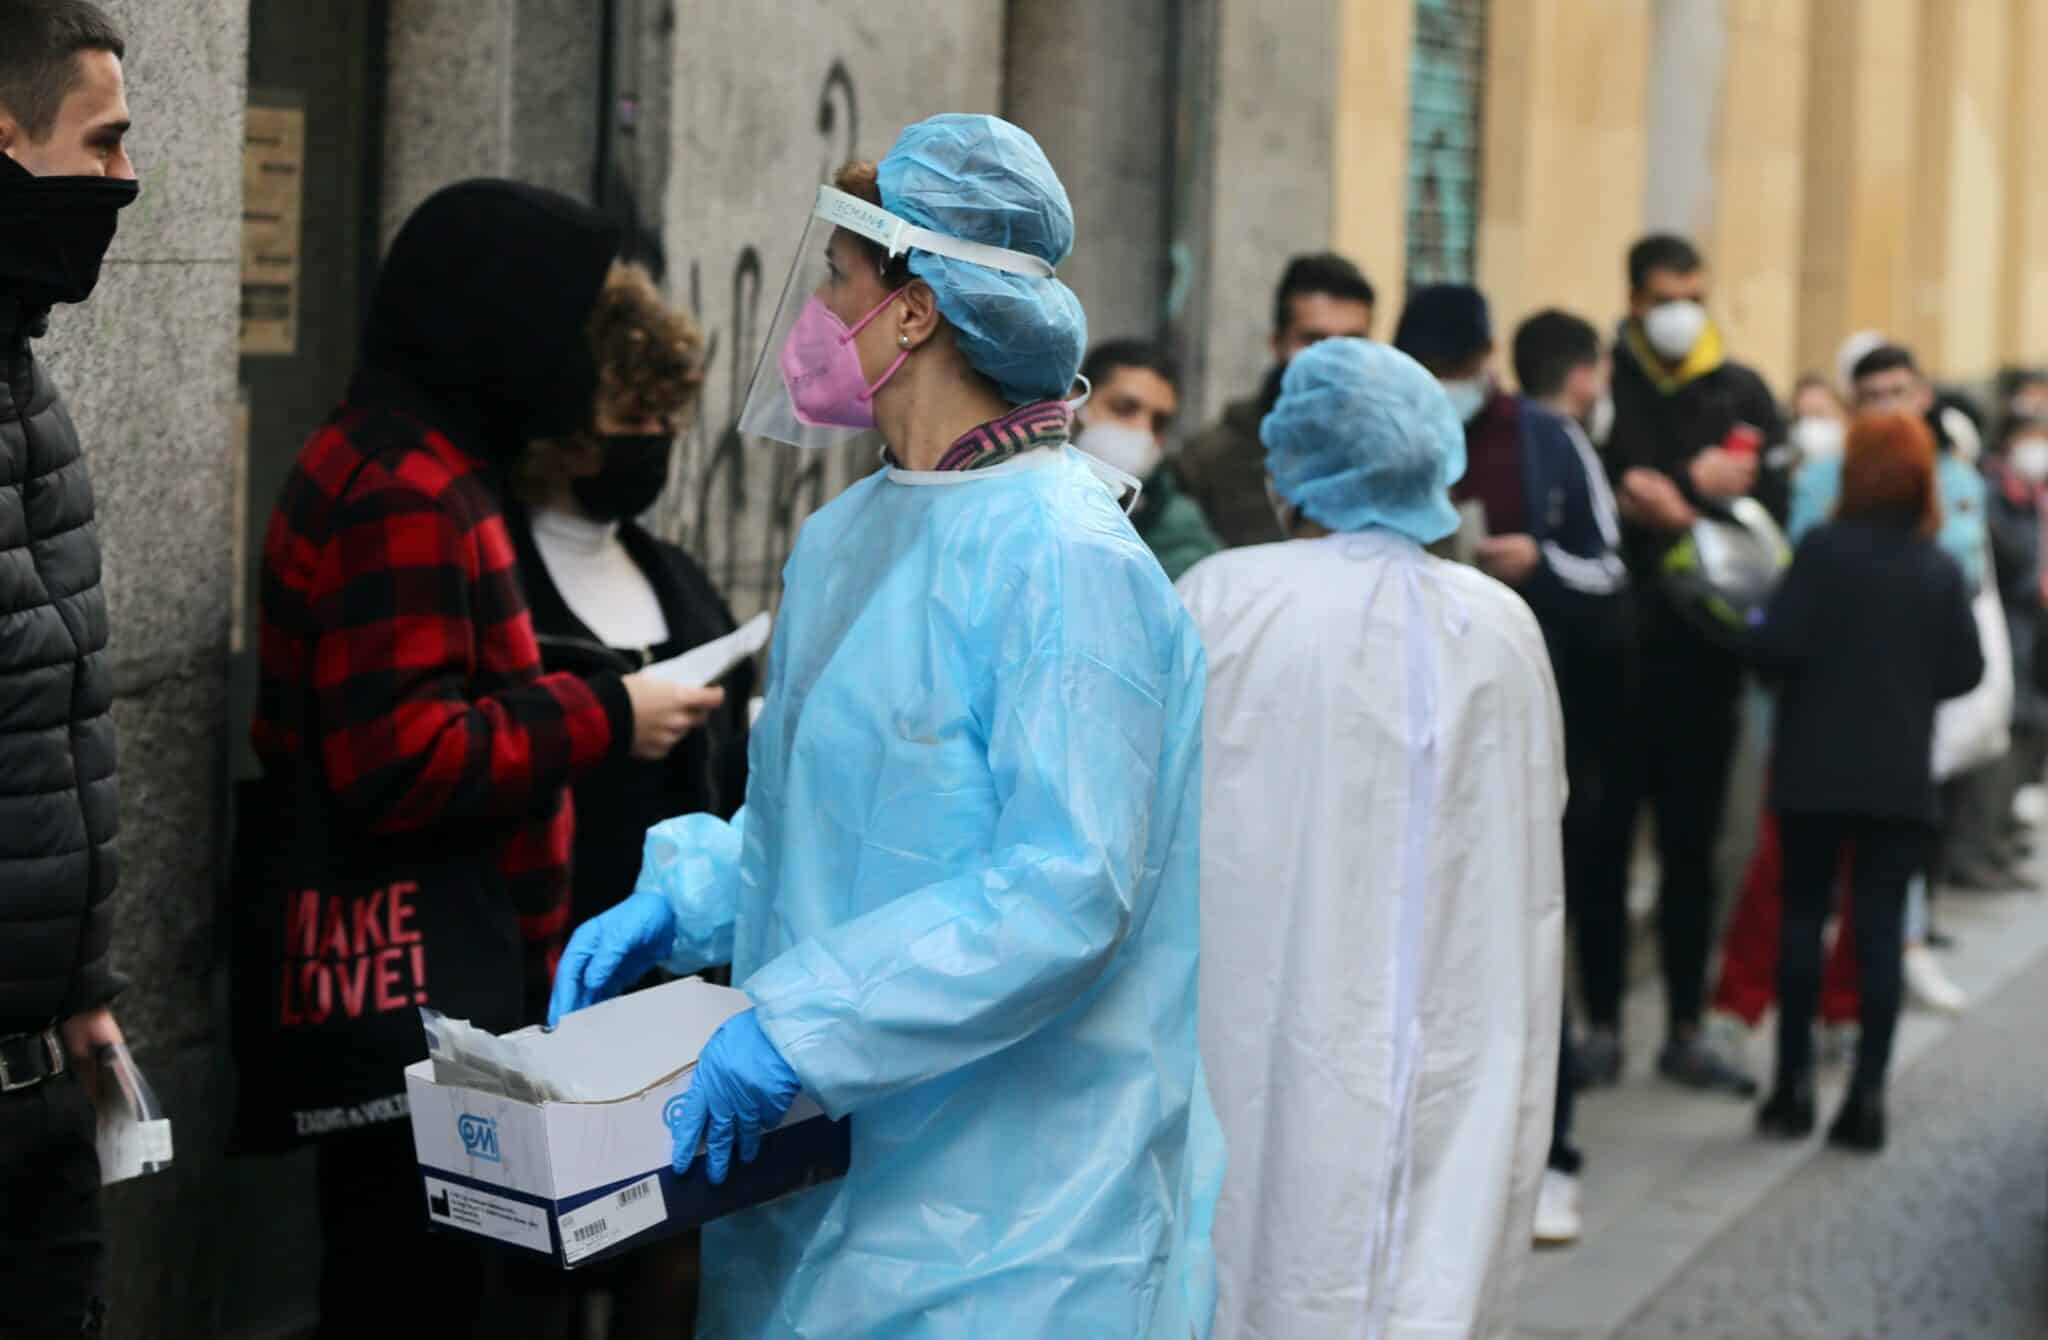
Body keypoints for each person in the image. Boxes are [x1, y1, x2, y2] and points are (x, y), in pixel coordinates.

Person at [550, 114, 1219, 1338]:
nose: (815, 312)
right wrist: (688, 892)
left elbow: (1064, 887)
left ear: (912, 310)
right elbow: (818, 813)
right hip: (812, 1189)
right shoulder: (849, 537)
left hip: (1015, 1222)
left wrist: (797, 1027)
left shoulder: (1066, 560)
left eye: (837, 280)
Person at [251, 180, 722, 1338]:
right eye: (561, 324)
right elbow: (399, 758)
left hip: (441, 1008)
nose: (575, 362)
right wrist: (601, 710)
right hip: (419, 1014)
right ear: (492, 323)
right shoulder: (404, 491)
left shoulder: (422, 464)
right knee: (417, 1301)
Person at [1180, 336, 1564, 1337]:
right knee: (1424, 1270)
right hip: (1456, 1032)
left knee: (1252, 1260)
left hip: (1251, 1033)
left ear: (1286, 464)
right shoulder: (1501, 625)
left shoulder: (1219, 600)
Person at [504, 260, 750, 1339]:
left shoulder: (673, 572)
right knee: (530, 1259)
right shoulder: (496, 567)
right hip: (543, 960)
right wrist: (614, 715)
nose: (649, 438)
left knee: (671, 1242)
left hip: (672, 980)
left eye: (665, 416)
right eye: (626, 414)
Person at [0, 4, 134, 1334]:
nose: (121, 185)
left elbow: (55, 728)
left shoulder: (25, 390)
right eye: (100, 147)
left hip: (40, 1091)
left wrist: (80, 992)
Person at [1750, 411, 1982, 1152]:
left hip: (1812, 771)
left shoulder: (1821, 552)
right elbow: (1965, 670)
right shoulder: (1937, 566)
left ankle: (1790, 1087)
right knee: (1880, 933)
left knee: (1801, 922)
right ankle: (1868, 1097)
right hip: (1897, 777)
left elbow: (1775, 646)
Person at [1603, 233, 1788, 1095]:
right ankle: (1600, 1022)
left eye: (1696, 295)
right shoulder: (1605, 383)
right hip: (1613, 662)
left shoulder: (1741, 390)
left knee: (1693, 851)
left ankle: (1684, 1023)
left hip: (1707, 662)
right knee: (1599, 846)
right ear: (1635, 300)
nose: (1683, 314)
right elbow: (1589, 483)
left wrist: (1693, 504)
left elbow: (1774, 519)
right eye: (1668, 296)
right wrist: (1679, 479)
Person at [1178, 251, 1374, 547]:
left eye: (1352, 342)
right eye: (1314, 340)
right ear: (1277, 344)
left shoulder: (1394, 460)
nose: (1334, 359)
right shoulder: (1207, 464)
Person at [1069, 339, 1219, 579]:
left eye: (1159, 423)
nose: (1143, 431)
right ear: (1074, 402)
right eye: (1124, 408)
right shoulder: (1018, 492)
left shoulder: (1180, 529)